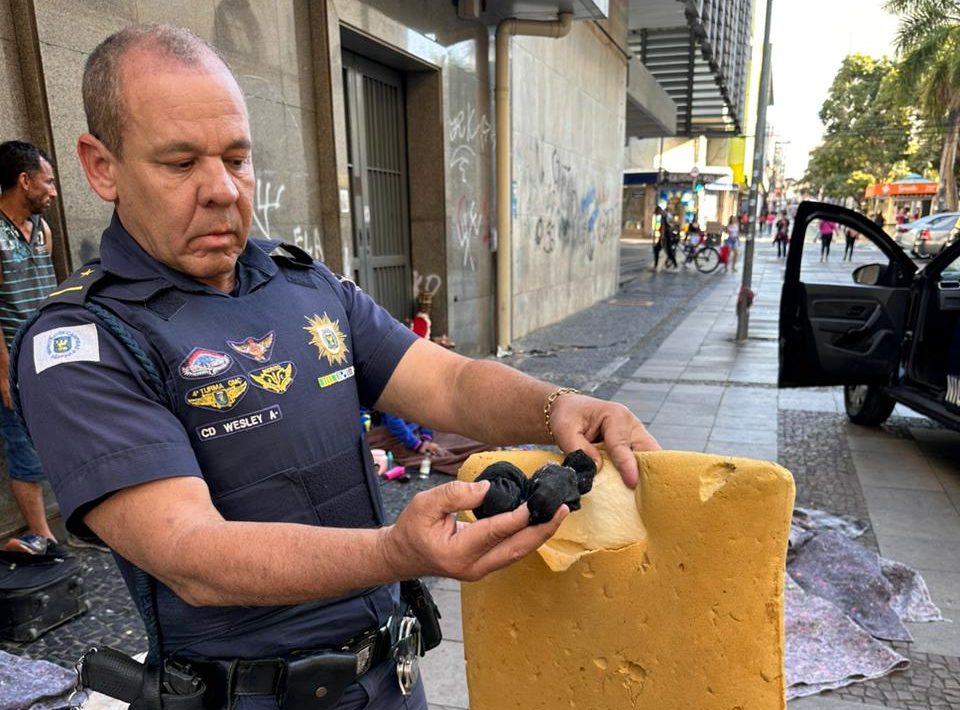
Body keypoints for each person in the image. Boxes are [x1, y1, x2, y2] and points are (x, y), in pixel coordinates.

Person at [13, 24, 659, 710]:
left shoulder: (301, 283)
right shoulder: (82, 343)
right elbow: (190, 553)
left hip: (391, 679)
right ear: (101, 165)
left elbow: (446, 379)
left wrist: (557, 407)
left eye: (237, 158)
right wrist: (398, 551)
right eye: (180, 163)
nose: (223, 190)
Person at [0, 141, 63, 556]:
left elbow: (53, 294)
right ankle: (43, 536)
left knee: (62, 439)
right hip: (12, 363)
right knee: (23, 447)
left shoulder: (43, 230)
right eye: (48, 180)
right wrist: (3, 375)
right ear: (25, 181)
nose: (54, 191)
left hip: (49, 356)